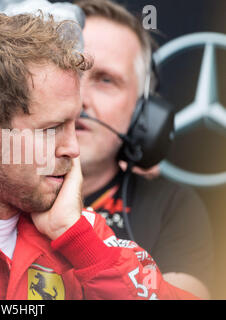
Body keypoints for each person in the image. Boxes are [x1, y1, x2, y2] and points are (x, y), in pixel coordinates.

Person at [0, 12, 200, 300]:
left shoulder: (81, 232)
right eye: (52, 129)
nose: (73, 149)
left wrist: (77, 239)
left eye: (74, 124)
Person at [74, 0, 213, 299]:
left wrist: (74, 234)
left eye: (105, 80)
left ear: (143, 113)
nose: (79, 98)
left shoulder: (172, 206)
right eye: (68, 70)